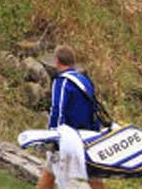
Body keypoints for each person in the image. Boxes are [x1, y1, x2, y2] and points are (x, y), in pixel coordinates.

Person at [35, 46, 105, 189]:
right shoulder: (84, 80)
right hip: (88, 136)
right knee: (92, 176)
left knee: (58, 175)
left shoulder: (62, 82)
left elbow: (58, 110)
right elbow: (94, 108)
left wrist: (53, 134)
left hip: (69, 138)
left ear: (57, 61)